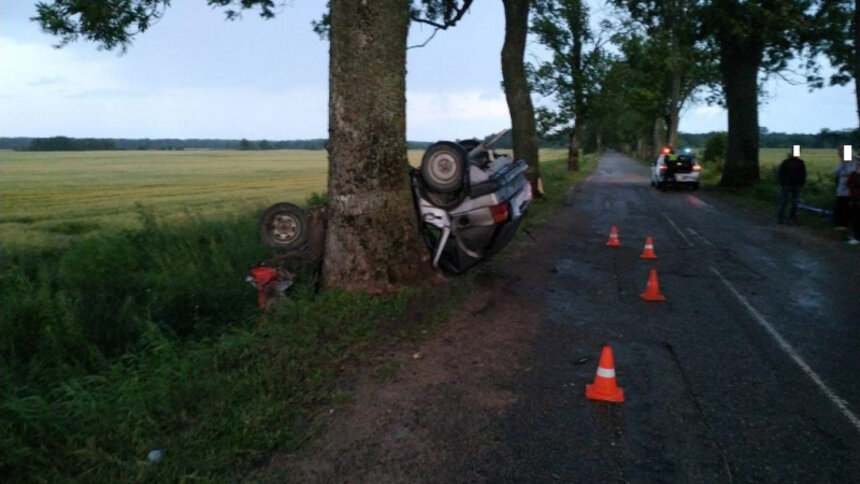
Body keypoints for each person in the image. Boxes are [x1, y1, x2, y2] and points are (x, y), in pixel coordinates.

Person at [776, 150, 806, 224]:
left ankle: (789, 218)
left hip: (794, 185)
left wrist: (801, 183)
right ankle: (784, 218)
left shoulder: (798, 162)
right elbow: (780, 173)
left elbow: (803, 174)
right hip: (789, 185)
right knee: (786, 201)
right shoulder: (788, 162)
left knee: (793, 202)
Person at [832, 145, 857, 230]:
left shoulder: (855, 160)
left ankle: (846, 224)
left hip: (851, 188)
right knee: (840, 205)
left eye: (840, 151)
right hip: (841, 187)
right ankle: (841, 223)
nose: (838, 153)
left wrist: (845, 169)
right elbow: (835, 171)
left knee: (847, 207)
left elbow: (852, 172)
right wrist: (843, 163)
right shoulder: (842, 161)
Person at [846, 153, 860, 245]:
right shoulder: (854, 173)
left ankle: (857, 237)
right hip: (853, 197)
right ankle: (855, 235)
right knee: (853, 217)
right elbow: (848, 183)